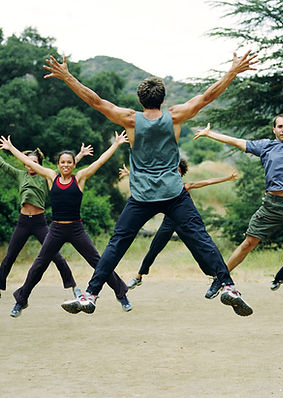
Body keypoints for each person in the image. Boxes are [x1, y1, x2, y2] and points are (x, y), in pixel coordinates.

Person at [43, 50, 258, 317]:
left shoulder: (130, 119)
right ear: (163, 99)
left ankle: (91, 295)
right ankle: (228, 286)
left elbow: (95, 101)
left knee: (117, 244)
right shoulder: (176, 116)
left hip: (142, 196)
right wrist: (232, 72)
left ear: (140, 100)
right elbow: (208, 96)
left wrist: (68, 77)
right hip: (173, 193)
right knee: (201, 237)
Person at [193, 116, 283, 294]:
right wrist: (210, 134)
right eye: (280, 126)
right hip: (271, 205)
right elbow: (237, 142)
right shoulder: (265, 146)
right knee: (249, 242)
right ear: (274, 130)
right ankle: (220, 279)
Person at [0, 132, 131, 317]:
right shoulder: (51, 176)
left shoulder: (80, 178)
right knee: (39, 264)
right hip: (56, 229)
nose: (66, 165)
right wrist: (11, 148)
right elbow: (29, 162)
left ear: (74, 164)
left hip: (76, 229)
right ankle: (21, 301)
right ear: (58, 164)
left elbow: (100, 162)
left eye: (69, 162)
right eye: (63, 162)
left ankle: (121, 294)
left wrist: (116, 144)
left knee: (99, 262)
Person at [121, 161, 239, 300]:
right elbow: (148, 179)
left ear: (181, 174)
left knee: (198, 252)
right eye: (172, 171)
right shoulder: (165, 187)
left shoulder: (185, 186)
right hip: (168, 223)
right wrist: (130, 173)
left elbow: (207, 181)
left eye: (178, 171)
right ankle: (139, 276)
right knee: (154, 249)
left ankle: (215, 277)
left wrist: (227, 178)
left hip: (184, 224)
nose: (175, 173)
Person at [0, 143, 93, 300]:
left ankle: (73, 286)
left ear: (39, 165)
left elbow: (66, 166)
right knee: (10, 256)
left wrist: (81, 155)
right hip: (23, 221)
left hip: (39, 222)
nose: (31, 166)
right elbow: (3, 165)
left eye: (35, 163)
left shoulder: (46, 176)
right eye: (29, 163)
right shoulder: (19, 175)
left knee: (56, 256)